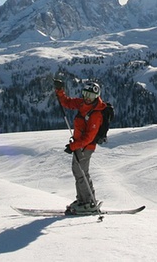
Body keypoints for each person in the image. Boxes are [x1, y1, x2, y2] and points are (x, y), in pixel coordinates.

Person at [54, 78, 108, 215]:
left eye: (91, 96)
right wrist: (60, 91)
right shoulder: (82, 104)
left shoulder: (96, 114)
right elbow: (66, 102)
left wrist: (73, 146)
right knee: (79, 172)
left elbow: (89, 137)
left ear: (97, 96)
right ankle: (83, 200)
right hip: (79, 145)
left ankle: (88, 202)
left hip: (85, 147)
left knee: (81, 173)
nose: (88, 98)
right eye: (86, 94)